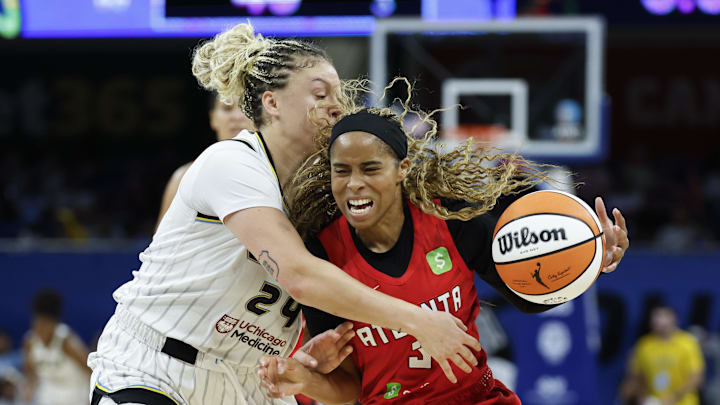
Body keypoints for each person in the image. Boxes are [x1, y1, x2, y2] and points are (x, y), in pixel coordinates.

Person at [88, 23, 480, 405]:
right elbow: (298, 275)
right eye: (319, 93)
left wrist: (304, 359)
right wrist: (419, 321)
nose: (335, 106)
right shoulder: (232, 161)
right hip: (159, 369)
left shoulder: (327, 195)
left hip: (252, 384)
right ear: (272, 103)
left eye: (339, 95)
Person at [256, 96, 630, 404]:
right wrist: (304, 381)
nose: (354, 184)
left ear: (402, 169)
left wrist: (587, 262)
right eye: (342, 171)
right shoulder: (321, 254)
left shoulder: (448, 218)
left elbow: (529, 296)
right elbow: (349, 386)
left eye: (370, 169)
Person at [156, 92, 254, 227]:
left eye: (245, 108)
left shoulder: (278, 176)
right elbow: (163, 245)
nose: (237, 117)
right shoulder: (183, 177)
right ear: (213, 118)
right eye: (227, 108)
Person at [620, 306, 705, 405]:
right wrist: (643, 397)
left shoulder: (687, 343)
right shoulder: (644, 345)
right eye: (654, 317)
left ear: (674, 319)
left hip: (684, 402)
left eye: (662, 316)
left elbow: (696, 378)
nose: (656, 320)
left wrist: (674, 397)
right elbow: (637, 376)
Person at [23, 289, 91, 405]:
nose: (42, 329)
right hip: (48, 390)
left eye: (46, 324)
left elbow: (90, 367)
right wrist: (29, 388)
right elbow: (29, 371)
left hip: (74, 391)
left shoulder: (65, 340)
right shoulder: (30, 342)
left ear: (54, 323)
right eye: (39, 323)